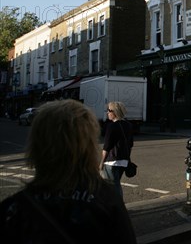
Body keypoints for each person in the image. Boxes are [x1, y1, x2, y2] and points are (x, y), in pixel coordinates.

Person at [0, 100, 136, 244]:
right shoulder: (107, 203)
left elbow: (108, 145)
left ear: (35, 144)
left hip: (112, 160)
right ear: (88, 145)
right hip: (122, 160)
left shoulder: (12, 209)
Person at [100, 101, 134, 197]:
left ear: (115, 112)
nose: (107, 112)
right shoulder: (129, 125)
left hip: (112, 161)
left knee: (113, 187)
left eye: (109, 110)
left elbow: (106, 147)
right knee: (115, 184)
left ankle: (118, 209)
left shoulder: (111, 126)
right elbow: (130, 144)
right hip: (123, 161)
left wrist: (101, 163)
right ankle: (116, 208)